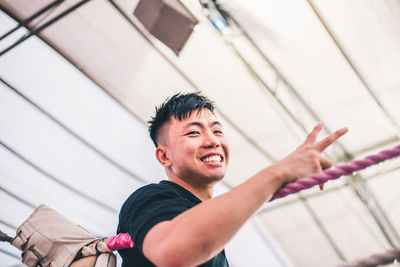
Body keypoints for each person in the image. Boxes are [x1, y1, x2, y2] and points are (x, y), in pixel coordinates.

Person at [117, 92, 348, 267]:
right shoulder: (151, 198)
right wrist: (279, 172)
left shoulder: (210, 229)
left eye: (217, 131)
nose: (212, 141)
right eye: (194, 133)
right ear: (164, 156)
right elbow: (172, 252)